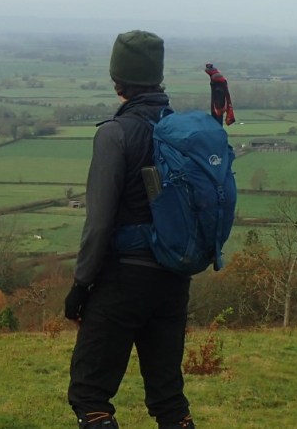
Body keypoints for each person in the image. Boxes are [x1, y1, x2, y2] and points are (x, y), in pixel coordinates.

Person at [66, 30, 195, 429]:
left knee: (90, 395)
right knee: (169, 399)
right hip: (174, 280)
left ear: (117, 79)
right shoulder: (181, 132)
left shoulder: (115, 134)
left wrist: (81, 286)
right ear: (156, 77)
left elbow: (99, 220)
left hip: (123, 279)